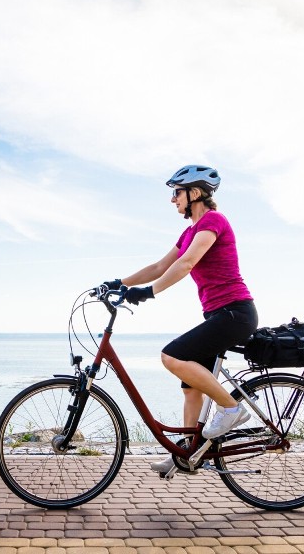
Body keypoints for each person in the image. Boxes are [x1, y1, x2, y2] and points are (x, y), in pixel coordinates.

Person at [101, 164, 258, 474]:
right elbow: (161, 265)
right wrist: (120, 284)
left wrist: (149, 293)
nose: (173, 199)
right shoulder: (189, 231)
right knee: (190, 387)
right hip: (219, 314)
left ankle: (231, 407)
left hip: (236, 313)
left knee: (172, 356)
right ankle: (186, 453)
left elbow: (187, 263)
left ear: (195, 193)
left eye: (177, 193)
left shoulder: (213, 221)